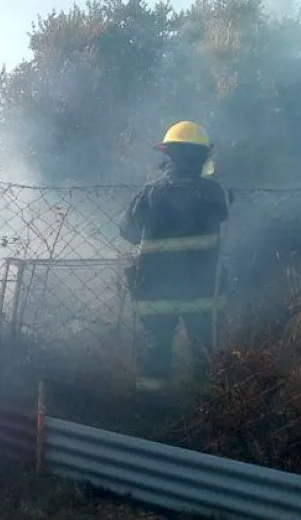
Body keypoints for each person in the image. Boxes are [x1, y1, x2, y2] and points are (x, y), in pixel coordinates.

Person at [119, 121, 230, 393]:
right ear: (203, 157)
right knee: (205, 349)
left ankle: (152, 411)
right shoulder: (214, 192)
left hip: (155, 290)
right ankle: (208, 408)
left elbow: (128, 232)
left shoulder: (149, 193)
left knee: (154, 350)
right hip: (202, 290)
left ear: (168, 155)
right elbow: (223, 220)